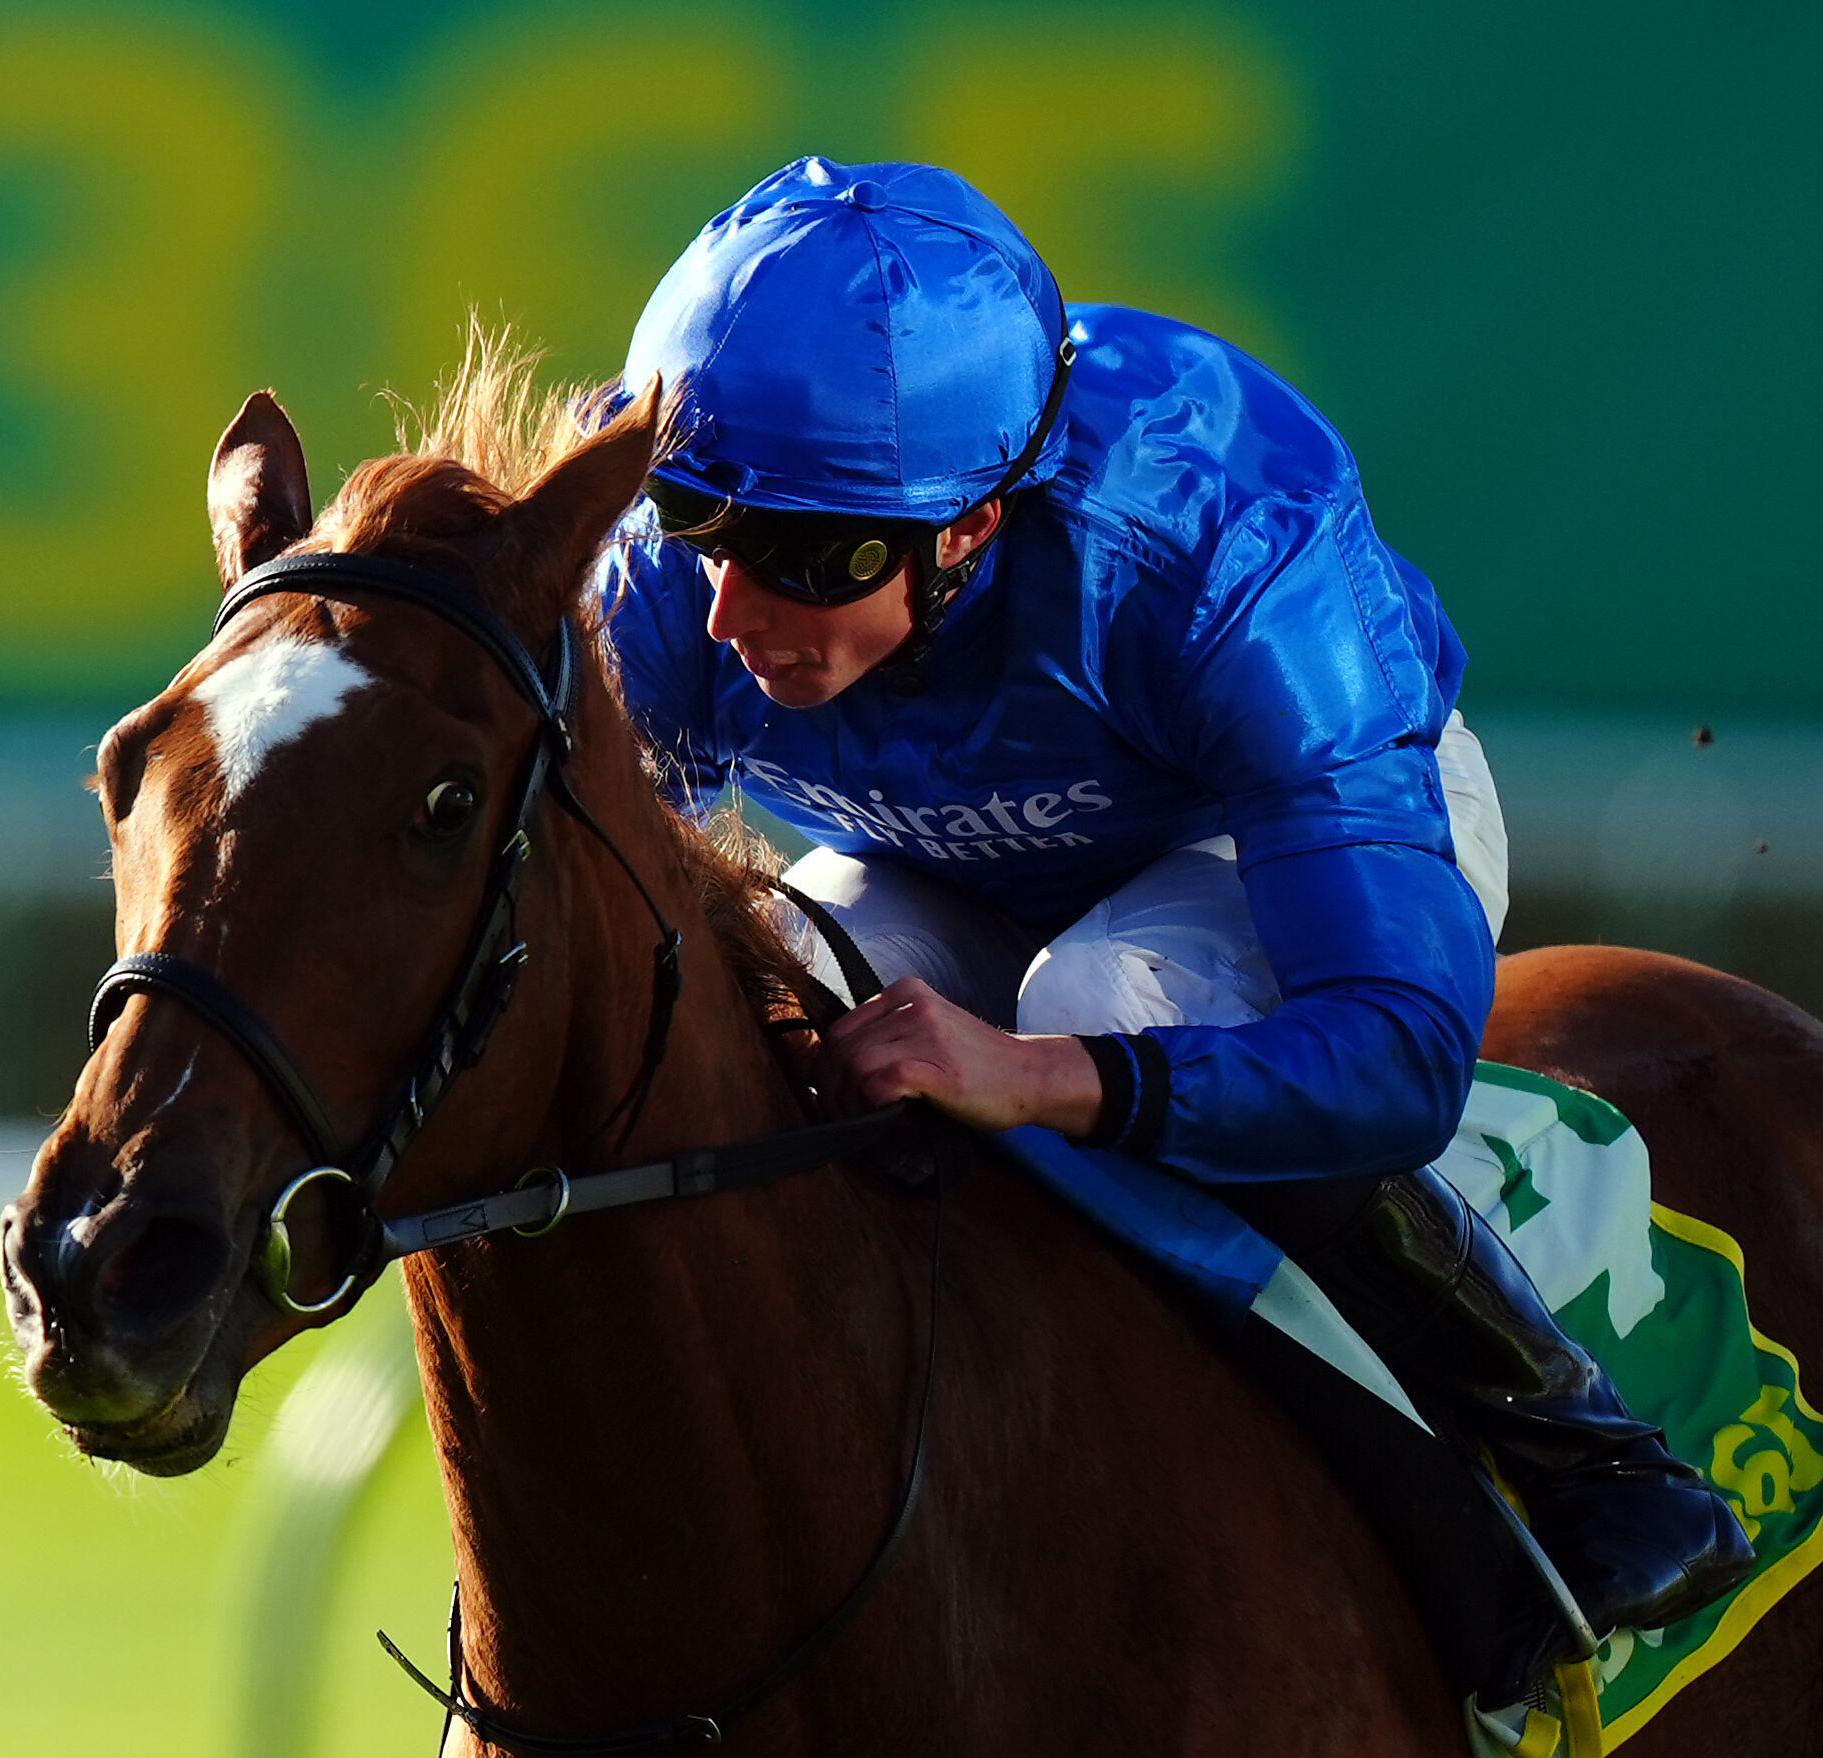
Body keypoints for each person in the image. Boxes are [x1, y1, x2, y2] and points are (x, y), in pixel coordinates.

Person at [593, 158, 1751, 1677]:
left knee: (1087, 998)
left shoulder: (1219, 527)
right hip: (942, 862)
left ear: (972, 528)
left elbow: (1395, 1054)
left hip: (1269, 839)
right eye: (697, 521)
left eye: (813, 558)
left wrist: (1032, 1077)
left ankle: (1576, 1452)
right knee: (757, 1001)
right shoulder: (680, 582)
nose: (733, 614)